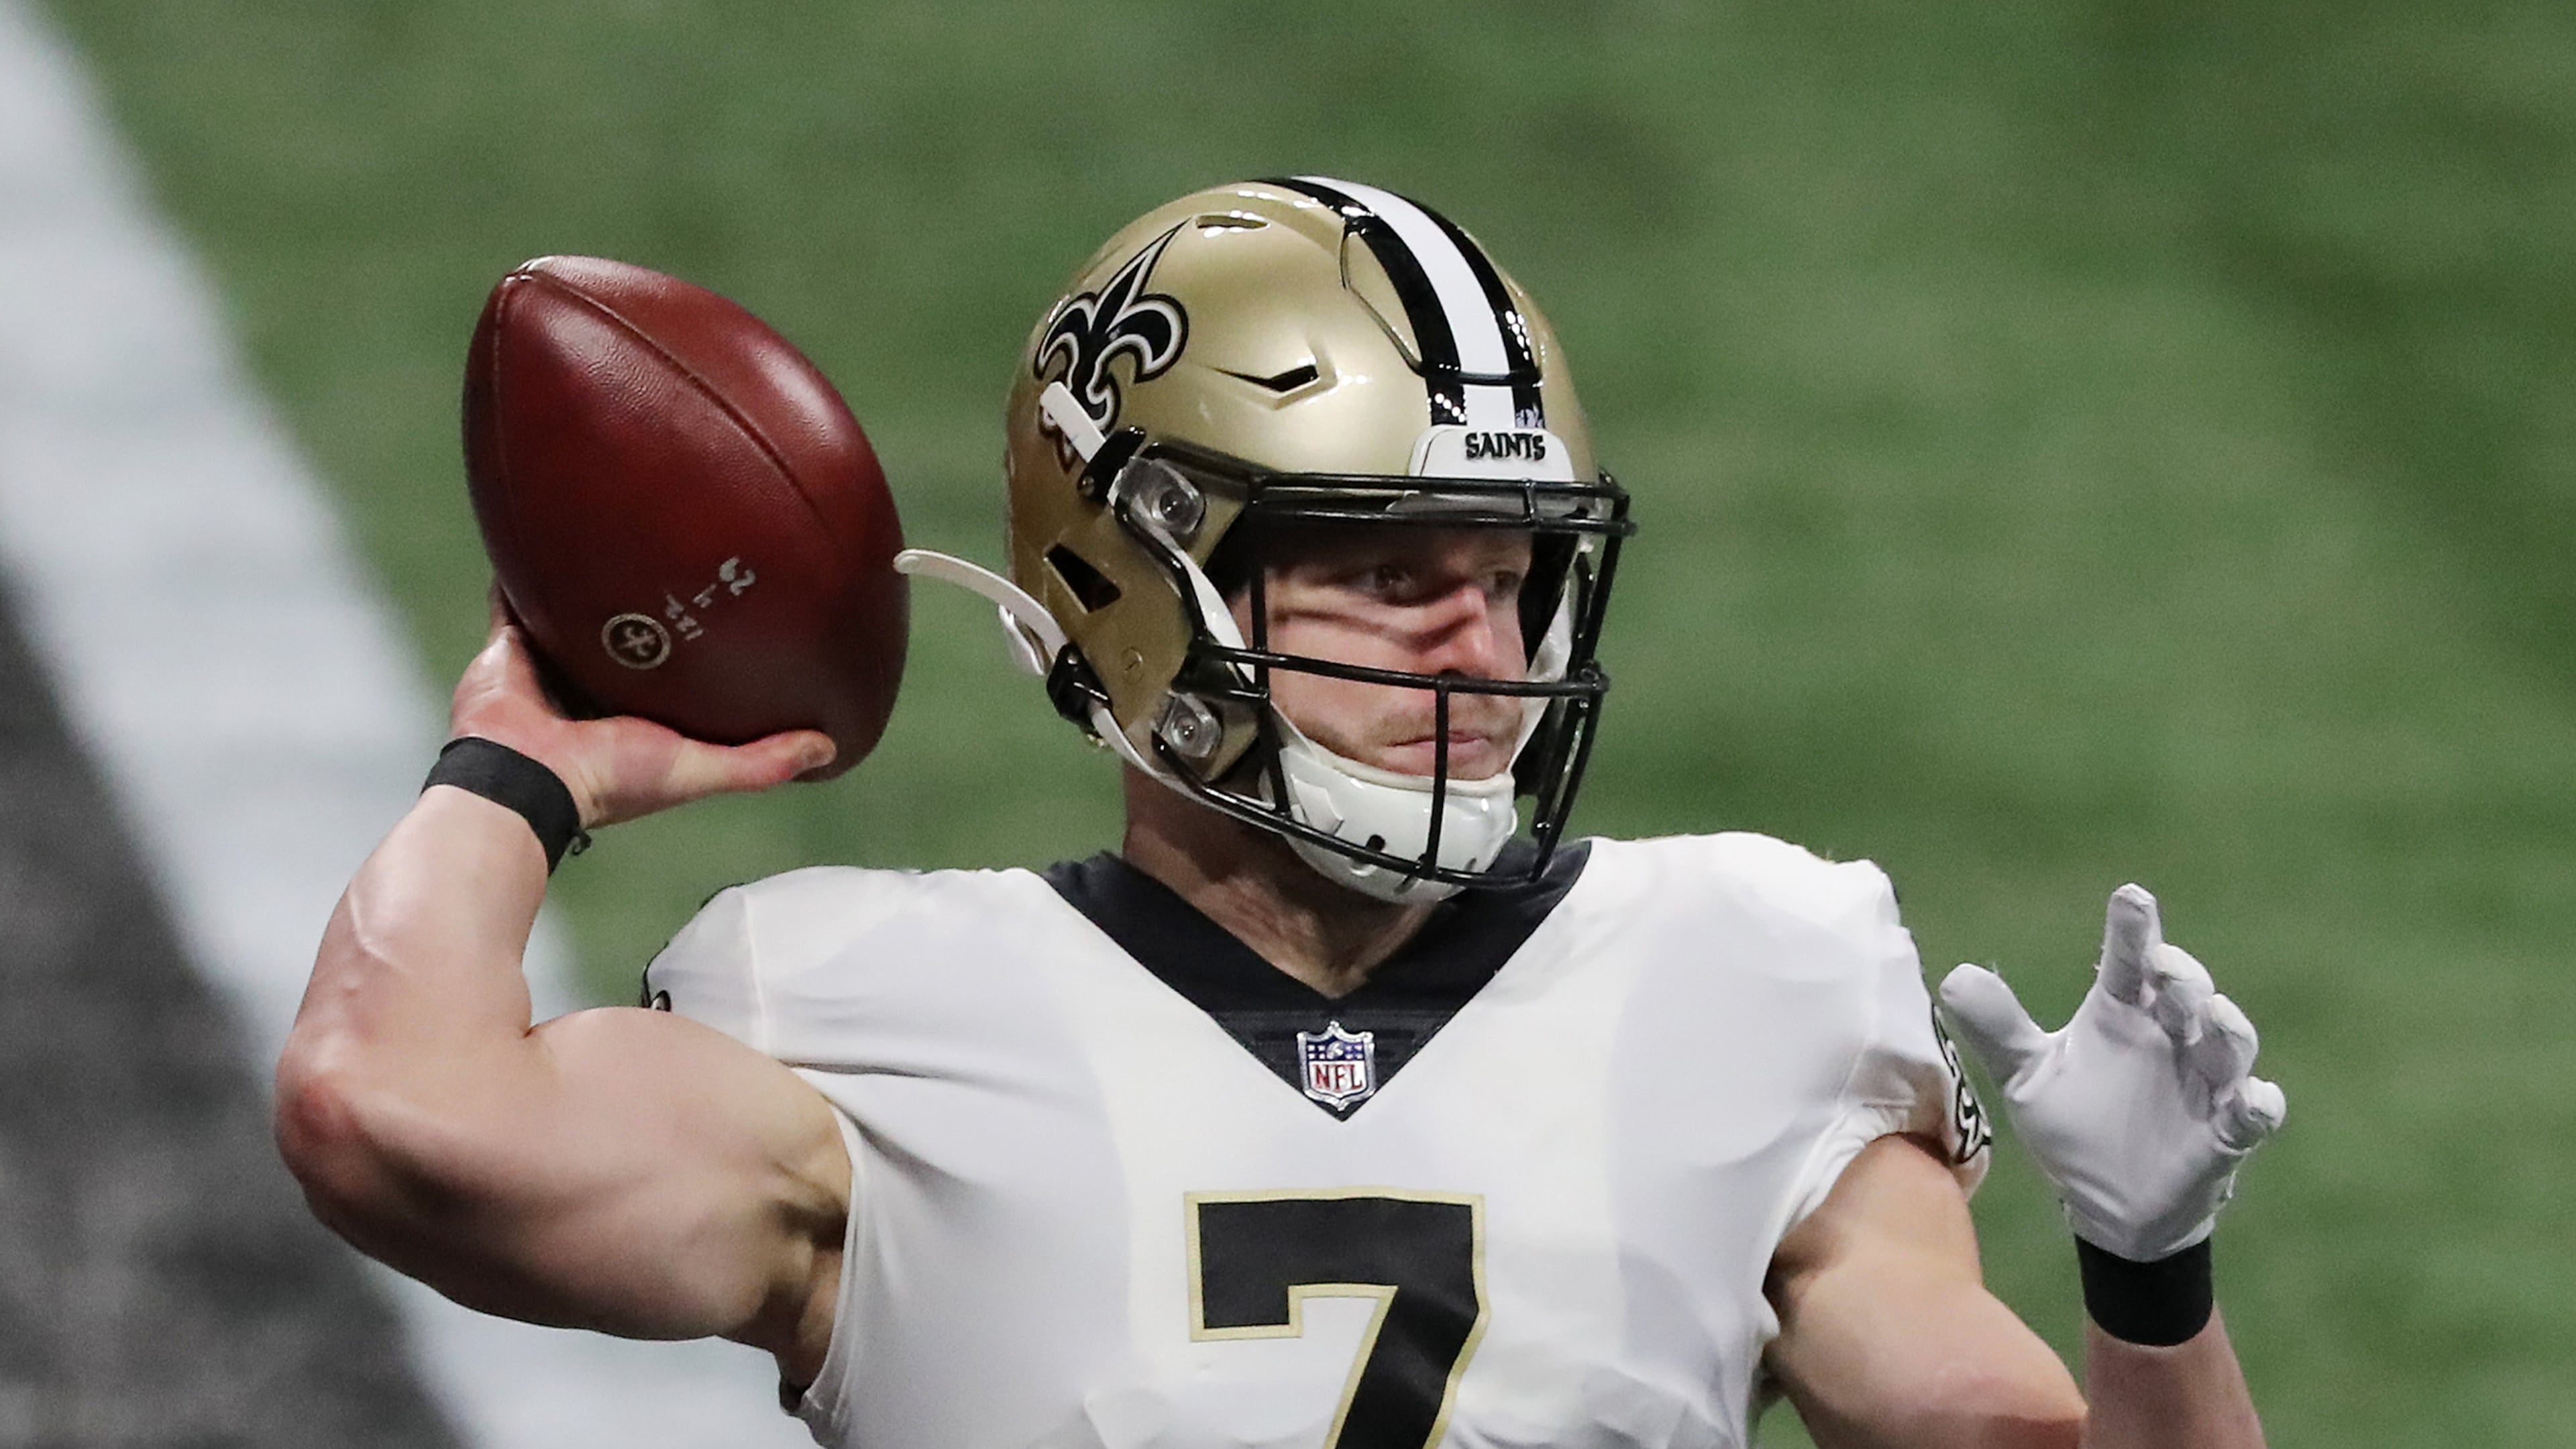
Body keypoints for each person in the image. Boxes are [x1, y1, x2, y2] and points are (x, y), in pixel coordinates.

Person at [278, 178, 2286, 1449]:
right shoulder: (850, 1015)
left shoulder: (1749, 972)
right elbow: (387, 1111)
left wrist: (2149, 1279)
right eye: (1382, 564)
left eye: (1512, 572)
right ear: (1133, 590)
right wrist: (528, 762)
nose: (1476, 642)